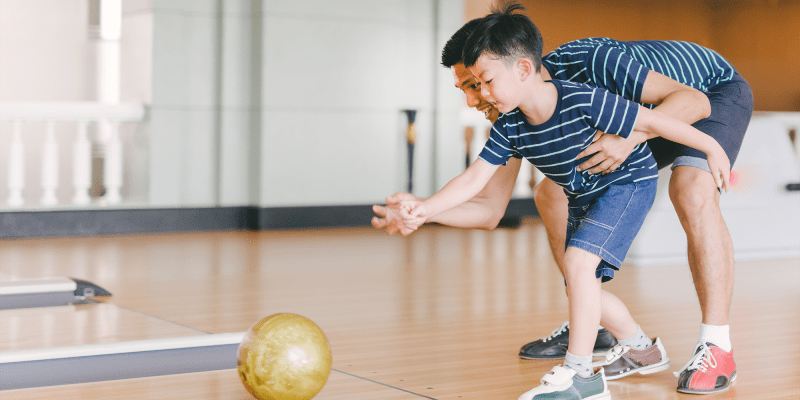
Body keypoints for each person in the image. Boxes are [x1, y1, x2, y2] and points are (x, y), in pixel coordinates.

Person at [373, 5, 752, 396]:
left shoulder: (588, 64)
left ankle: (717, 344)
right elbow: (489, 208)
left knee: (689, 188)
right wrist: (423, 213)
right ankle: (592, 315)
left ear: (517, 67)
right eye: (467, 88)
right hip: (636, 125)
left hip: (707, 92)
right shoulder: (514, 114)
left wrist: (628, 138)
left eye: (478, 83)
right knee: (549, 193)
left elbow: (693, 103)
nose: (475, 100)